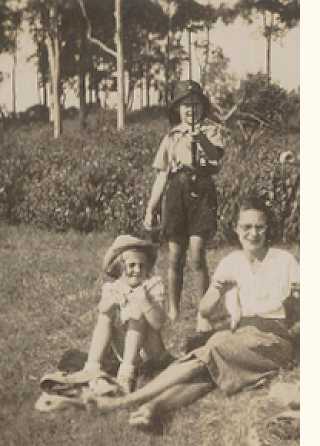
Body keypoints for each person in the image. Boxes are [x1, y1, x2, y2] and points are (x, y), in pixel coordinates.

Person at [87, 195, 299, 426]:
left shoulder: (284, 260)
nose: (253, 233)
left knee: (209, 353)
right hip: (242, 334)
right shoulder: (232, 261)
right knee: (209, 372)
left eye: (260, 227)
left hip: (273, 339)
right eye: (247, 227)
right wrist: (219, 288)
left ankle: (124, 402)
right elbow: (205, 309)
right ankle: (153, 408)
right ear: (236, 229)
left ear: (267, 229)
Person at [144, 80, 225, 326]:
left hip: (202, 192)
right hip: (176, 194)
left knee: (198, 255)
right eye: (185, 105)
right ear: (177, 109)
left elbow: (215, 158)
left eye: (195, 105)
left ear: (203, 107)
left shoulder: (212, 131)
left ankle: (204, 313)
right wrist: (151, 207)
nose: (190, 110)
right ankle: (173, 310)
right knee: (175, 256)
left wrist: (200, 138)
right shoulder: (171, 136)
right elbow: (162, 174)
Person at [82, 235, 171, 394]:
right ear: (120, 267)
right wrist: (111, 303)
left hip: (149, 352)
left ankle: (126, 375)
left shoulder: (152, 284)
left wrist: (144, 302)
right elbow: (102, 309)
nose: (137, 270)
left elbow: (159, 323)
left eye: (141, 266)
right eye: (131, 265)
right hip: (122, 349)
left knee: (137, 313)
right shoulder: (113, 287)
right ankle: (92, 368)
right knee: (105, 314)